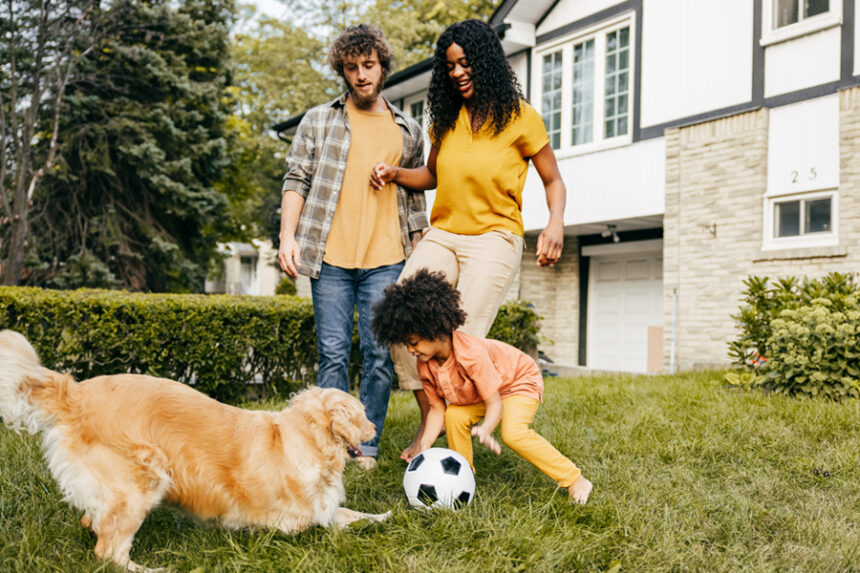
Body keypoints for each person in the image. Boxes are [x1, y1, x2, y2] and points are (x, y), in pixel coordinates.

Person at [369, 19, 567, 457]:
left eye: (465, 63)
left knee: (462, 339)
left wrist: (555, 222)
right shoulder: (448, 117)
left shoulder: (520, 117)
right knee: (398, 316)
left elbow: (553, 180)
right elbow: (433, 175)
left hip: (495, 237)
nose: (458, 72)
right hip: (443, 233)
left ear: (485, 62)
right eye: (450, 66)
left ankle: (458, 431)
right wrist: (397, 173)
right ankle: (431, 415)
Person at [279, 24, 428, 469]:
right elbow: (296, 180)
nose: (361, 75)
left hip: (387, 260)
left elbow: (417, 199)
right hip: (330, 259)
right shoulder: (318, 121)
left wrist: (420, 258)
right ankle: (331, 447)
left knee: (380, 356)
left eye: (369, 65)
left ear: (383, 66)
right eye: (352, 68)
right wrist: (288, 236)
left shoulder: (408, 130)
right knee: (333, 357)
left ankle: (366, 447)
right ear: (342, 71)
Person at [371, 269, 592, 504]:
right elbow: (437, 409)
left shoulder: (470, 355)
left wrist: (486, 428)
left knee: (513, 433)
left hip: (518, 382)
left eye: (413, 343)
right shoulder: (424, 364)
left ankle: (574, 479)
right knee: (454, 415)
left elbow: (494, 403)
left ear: (433, 330)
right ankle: (464, 480)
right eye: (406, 344)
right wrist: (424, 443)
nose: (410, 350)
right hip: (489, 392)